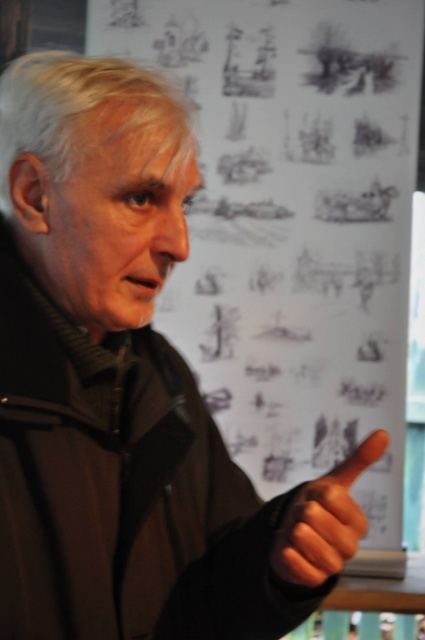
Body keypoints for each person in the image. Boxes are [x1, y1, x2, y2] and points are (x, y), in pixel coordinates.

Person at [0, 50, 389, 640]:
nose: (179, 245)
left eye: (185, 204)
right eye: (141, 198)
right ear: (34, 195)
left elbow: (202, 602)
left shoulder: (160, 376)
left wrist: (280, 561)